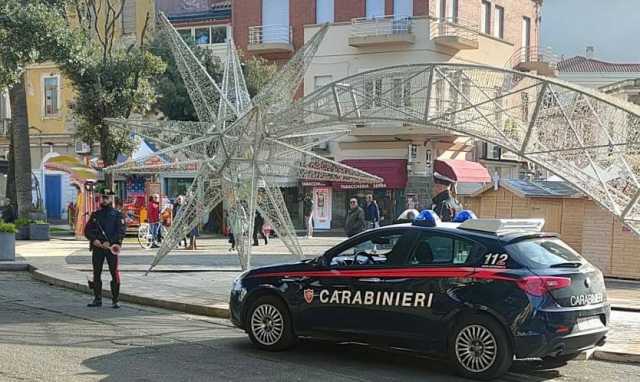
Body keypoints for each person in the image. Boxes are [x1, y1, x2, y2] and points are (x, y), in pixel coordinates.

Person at [84, 189, 126, 309]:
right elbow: (87, 231)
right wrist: (94, 240)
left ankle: (115, 300)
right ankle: (97, 299)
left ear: (111, 199)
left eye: (107, 198)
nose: (104, 200)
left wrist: (111, 242)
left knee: (114, 273)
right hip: (98, 248)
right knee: (96, 273)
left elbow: (121, 232)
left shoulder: (118, 215)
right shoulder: (95, 215)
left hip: (111, 248)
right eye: (103, 197)